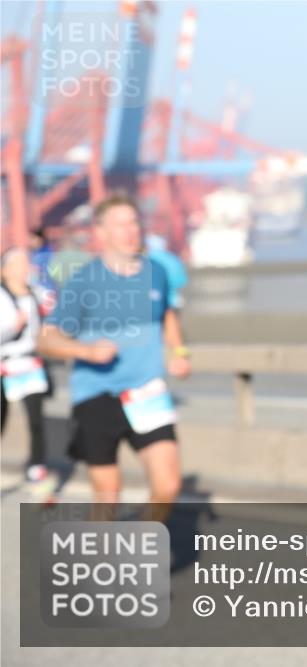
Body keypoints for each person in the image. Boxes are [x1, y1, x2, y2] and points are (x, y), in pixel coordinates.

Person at [38, 194, 191, 520]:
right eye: (120, 224)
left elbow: (167, 315)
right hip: (97, 397)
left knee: (168, 485)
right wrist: (87, 351)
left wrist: (178, 352)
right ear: (101, 232)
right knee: (108, 496)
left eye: (134, 222)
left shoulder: (158, 273)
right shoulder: (83, 281)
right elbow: (48, 340)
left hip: (147, 392)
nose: (130, 230)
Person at [1, 248, 53, 490]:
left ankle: (37, 467)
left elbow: (53, 320)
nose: (25, 268)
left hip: (30, 365)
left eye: (26, 262)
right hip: (4, 365)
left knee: (36, 419)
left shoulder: (38, 294)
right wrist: (14, 326)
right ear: (5, 270)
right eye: (19, 263)